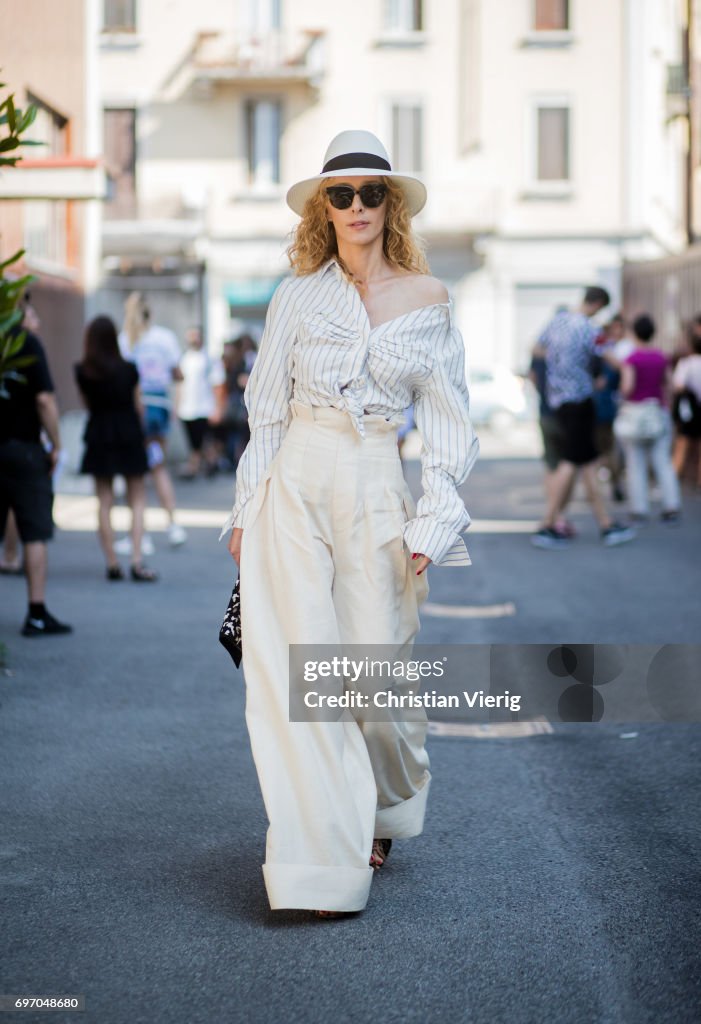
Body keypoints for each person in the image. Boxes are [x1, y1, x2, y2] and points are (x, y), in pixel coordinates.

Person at [221, 129, 479, 918]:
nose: (358, 205)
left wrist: (433, 526)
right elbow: (263, 411)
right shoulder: (297, 294)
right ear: (322, 208)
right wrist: (245, 507)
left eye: (372, 192)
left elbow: (449, 424)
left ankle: (384, 806)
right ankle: (318, 858)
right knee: (298, 677)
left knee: (378, 674)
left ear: (389, 204)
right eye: (343, 193)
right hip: (295, 477)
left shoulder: (428, 299)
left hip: (374, 483)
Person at [530, 286, 635, 549]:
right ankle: (548, 523)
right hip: (580, 400)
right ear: (598, 303)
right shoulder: (589, 329)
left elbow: (536, 348)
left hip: (559, 401)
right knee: (572, 459)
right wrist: (624, 371)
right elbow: (609, 356)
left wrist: (559, 367)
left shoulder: (557, 321)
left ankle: (605, 524)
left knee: (587, 462)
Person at [0, 303, 72, 636]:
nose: (37, 320)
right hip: (24, 450)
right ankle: (37, 613)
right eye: (32, 313)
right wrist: (56, 445)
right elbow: (44, 400)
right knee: (34, 531)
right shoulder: (27, 343)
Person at [75, 316, 157, 581]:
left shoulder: (83, 372)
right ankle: (136, 561)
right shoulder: (130, 369)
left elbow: (87, 405)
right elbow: (139, 406)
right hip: (129, 433)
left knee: (104, 501)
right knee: (138, 499)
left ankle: (112, 563)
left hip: (99, 434)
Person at [118, 293, 187, 548]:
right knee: (158, 467)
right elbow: (179, 374)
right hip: (160, 407)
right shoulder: (165, 338)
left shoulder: (126, 340)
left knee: (136, 475)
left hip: (137, 410)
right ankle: (173, 526)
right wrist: (175, 406)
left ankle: (139, 535)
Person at [615, 314, 681, 522]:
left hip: (636, 413)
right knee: (662, 461)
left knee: (636, 463)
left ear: (634, 333)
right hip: (658, 411)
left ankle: (639, 508)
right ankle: (671, 505)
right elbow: (670, 386)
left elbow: (627, 387)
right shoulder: (662, 357)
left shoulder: (631, 359)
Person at [176, 325, 224, 478]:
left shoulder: (209, 358)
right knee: (194, 441)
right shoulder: (184, 358)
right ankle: (206, 463)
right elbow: (180, 383)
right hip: (187, 408)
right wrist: (177, 404)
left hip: (204, 407)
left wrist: (217, 407)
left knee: (203, 439)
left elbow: (218, 383)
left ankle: (197, 466)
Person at [593, 315, 626, 503]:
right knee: (607, 450)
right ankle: (613, 484)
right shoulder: (611, 356)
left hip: (600, 408)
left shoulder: (603, 357)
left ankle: (604, 486)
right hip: (606, 408)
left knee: (600, 451)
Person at [672, 317, 701, 486]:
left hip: (691, 410)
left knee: (682, 444)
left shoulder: (686, 363)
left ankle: (674, 477)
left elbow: (678, 386)